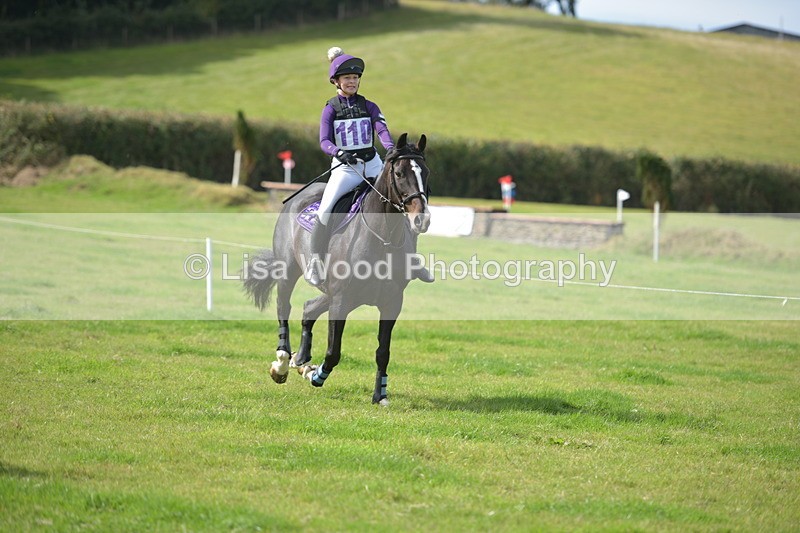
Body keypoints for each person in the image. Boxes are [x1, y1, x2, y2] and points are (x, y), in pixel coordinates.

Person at [305, 47, 433, 287]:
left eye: (355, 78)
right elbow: (324, 141)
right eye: (347, 78)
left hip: (373, 164)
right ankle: (315, 262)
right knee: (325, 210)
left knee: (400, 202)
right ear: (336, 81)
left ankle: (413, 260)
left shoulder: (370, 106)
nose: (352, 82)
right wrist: (339, 153)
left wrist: (389, 148)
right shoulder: (330, 109)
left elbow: (382, 130)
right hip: (345, 168)